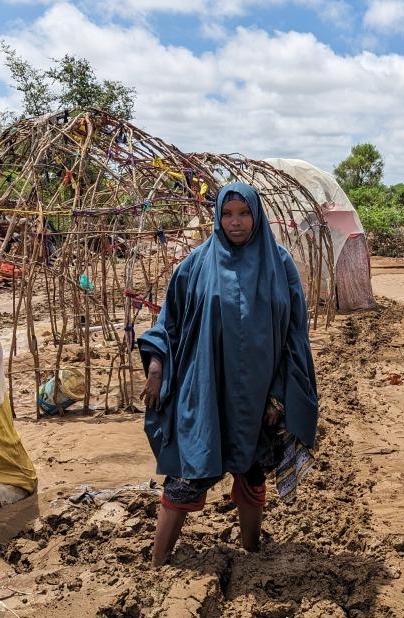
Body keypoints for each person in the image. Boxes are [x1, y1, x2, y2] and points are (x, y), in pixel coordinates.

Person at [138, 182, 319, 566]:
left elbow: (293, 335)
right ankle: (158, 561)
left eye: (244, 213)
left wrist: (279, 394)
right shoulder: (196, 264)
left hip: (259, 396)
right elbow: (167, 322)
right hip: (205, 389)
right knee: (188, 470)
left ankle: (251, 550)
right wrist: (156, 366)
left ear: (256, 216)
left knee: (252, 473)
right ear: (218, 218)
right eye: (228, 214)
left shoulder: (279, 264)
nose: (236, 222)